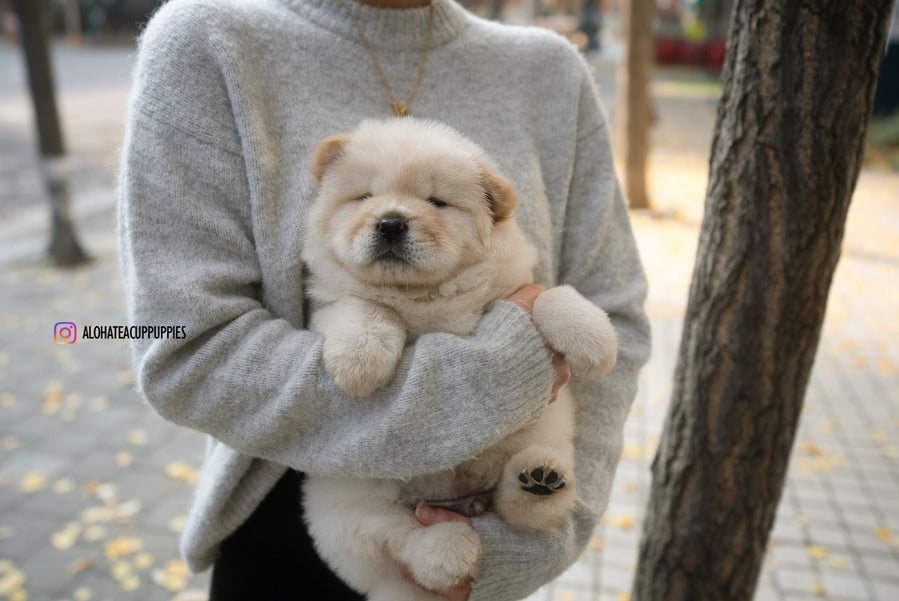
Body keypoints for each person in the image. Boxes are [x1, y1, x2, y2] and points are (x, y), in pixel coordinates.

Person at [117, 0, 652, 599]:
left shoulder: (550, 70)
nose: (394, 218)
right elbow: (184, 351)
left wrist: (533, 540)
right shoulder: (208, 42)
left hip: (500, 529)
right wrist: (489, 380)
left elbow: (615, 319)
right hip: (296, 525)